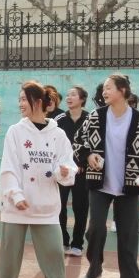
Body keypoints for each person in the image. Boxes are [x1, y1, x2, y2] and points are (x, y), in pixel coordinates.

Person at [0, 82, 77, 278]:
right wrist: (16, 195)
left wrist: (63, 172)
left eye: (24, 99)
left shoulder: (58, 134)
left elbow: (68, 165)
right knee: (10, 254)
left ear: (38, 102)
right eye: (19, 99)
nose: (20, 104)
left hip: (46, 207)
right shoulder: (15, 132)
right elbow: (9, 167)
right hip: (16, 206)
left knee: (54, 252)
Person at [74, 73, 139, 278]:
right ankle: (94, 268)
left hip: (129, 185)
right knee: (95, 229)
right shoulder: (95, 116)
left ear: (122, 90)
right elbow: (78, 141)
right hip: (99, 184)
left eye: (109, 88)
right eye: (104, 88)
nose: (104, 92)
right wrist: (87, 156)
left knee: (128, 233)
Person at [55, 86, 90, 256]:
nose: (69, 97)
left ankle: (77, 244)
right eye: (68, 95)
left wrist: (82, 162)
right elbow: (54, 144)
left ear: (82, 99)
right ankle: (63, 240)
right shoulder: (59, 120)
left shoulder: (91, 119)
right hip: (63, 171)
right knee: (59, 206)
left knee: (81, 208)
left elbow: (95, 143)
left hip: (82, 172)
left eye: (73, 95)